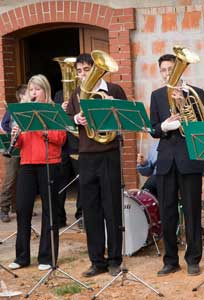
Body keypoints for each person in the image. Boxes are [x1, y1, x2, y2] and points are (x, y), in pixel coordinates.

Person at [66, 53, 127, 277]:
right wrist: (75, 120)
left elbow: (126, 117)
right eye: (79, 71)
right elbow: (69, 119)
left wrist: (114, 106)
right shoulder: (75, 94)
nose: (82, 75)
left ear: (95, 69)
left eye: (85, 70)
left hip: (109, 154)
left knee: (112, 207)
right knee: (90, 209)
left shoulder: (114, 90)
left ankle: (114, 260)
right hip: (87, 156)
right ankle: (96, 261)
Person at [150, 53, 204, 276]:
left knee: (192, 212)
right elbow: (153, 129)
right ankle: (170, 260)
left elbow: (201, 129)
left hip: (190, 159)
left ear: (180, 70)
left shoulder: (196, 93)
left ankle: (193, 259)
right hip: (165, 162)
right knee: (167, 212)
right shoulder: (156, 96)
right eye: (163, 70)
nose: (167, 73)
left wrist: (185, 109)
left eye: (171, 69)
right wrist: (164, 126)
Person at [8, 74, 66, 271]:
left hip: (49, 163)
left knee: (50, 211)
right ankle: (22, 257)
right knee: (23, 209)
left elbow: (61, 138)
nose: (33, 93)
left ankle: (47, 257)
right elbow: (20, 144)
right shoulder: (23, 113)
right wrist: (16, 135)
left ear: (45, 91)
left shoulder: (54, 111)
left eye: (37, 89)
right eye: (31, 90)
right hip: (27, 164)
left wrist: (42, 127)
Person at [54, 90, 82, 229]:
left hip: (77, 144)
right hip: (62, 146)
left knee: (82, 180)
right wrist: (60, 109)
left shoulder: (81, 93)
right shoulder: (59, 95)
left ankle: (81, 215)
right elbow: (53, 118)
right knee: (60, 182)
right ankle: (59, 218)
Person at [0, 84, 28, 222]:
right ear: (22, 96)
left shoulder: (30, 109)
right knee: (10, 179)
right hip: (12, 148)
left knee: (22, 178)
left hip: (26, 147)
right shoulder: (13, 109)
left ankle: (18, 206)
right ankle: (3, 208)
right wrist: (12, 135)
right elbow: (3, 125)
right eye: (29, 93)